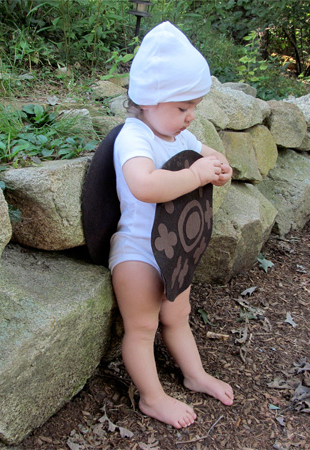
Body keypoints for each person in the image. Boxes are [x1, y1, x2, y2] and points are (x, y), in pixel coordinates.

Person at [108, 22, 234, 429]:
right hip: (138, 251)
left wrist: (218, 168)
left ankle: (194, 374)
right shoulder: (135, 137)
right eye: (183, 108)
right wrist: (196, 176)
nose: (190, 116)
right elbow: (144, 185)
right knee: (143, 326)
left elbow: (207, 153)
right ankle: (152, 397)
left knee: (179, 315)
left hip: (176, 249)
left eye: (193, 107)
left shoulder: (181, 136)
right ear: (149, 99)